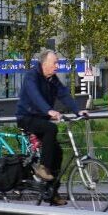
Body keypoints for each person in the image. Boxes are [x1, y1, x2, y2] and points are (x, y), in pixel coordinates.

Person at [16, 49, 88, 206]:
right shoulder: (31, 76)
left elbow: (64, 94)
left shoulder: (52, 79)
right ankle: (43, 168)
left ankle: (51, 193)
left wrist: (78, 111)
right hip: (27, 117)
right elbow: (35, 95)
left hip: (41, 118)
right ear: (44, 64)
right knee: (51, 129)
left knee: (58, 152)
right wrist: (48, 110)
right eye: (54, 63)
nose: (57, 66)